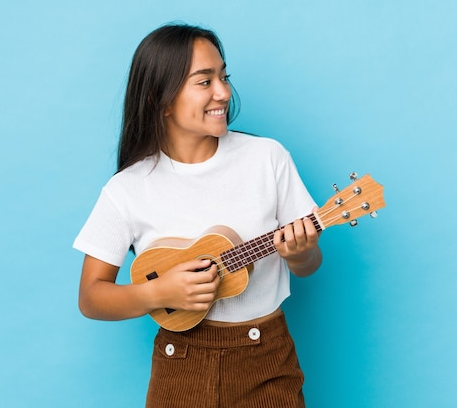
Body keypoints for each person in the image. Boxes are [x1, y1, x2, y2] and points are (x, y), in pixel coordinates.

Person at [73, 23, 323, 408]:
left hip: (267, 358)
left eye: (223, 77)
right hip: (181, 365)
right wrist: (159, 292)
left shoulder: (266, 158)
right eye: (204, 81)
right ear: (162, 98)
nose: (223, 92)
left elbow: (308, 265)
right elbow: (91, 297)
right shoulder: (128, 188)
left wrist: (300, 253)